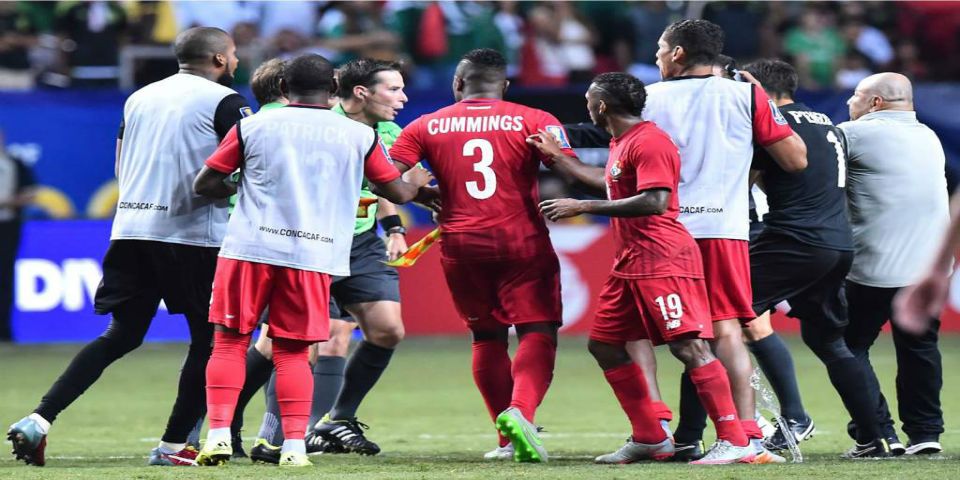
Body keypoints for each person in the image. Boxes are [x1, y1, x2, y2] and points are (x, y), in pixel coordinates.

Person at [7, 26, 250, 467]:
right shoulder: (225, 102)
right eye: (232, 55)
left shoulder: (139, 97)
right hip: (192, 234)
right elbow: (246, 166)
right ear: (218, 59)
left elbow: (121, 163)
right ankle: (175, 445)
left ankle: (39, 419)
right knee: (212, 340)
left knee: (122, 334)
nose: (235, 62)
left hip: (131, 227)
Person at [191, 53, 432, 468]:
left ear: (283, 90)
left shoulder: (251, 126)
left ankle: (216, 437)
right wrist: (418, 187)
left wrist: (242, 180)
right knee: (292, 351)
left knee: (230, 342)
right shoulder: (358, 136)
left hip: (250, 249)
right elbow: (395, 192)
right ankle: (294, 448)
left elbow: (206, 183)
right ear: (334, 91)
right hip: (314, 253)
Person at [529, 72, 755, 465]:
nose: (586, 106)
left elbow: (654, 201)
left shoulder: (651, 141)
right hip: (631, 261)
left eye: (588, 100)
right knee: (605, 344)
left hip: (662, 258)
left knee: (690, 346)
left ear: (600, 106)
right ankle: (651, 436)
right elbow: (611, 184)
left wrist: (582, 207)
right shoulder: (623, 141)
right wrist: (557, 157)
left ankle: (736, 440)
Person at [388, 48, 570, 463]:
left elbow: (387, 176)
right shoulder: (535, 119)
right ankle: (521, 413)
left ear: (457, 84)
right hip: (521, 240)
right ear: (504, 86)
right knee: (537, 329)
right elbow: (568, 168)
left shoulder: (424, 124)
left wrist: (423, 193)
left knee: (486, 336)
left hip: (461, 243)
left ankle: (506, 441)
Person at [639, 19, 807, 463]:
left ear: (677, 54)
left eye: (660, 48)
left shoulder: (647, 98)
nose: (656, 56)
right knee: (726, 327)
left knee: (638, 333)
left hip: (665, 230)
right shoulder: (747, 94)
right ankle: (746, 434)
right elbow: (794, 160)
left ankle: (661, 432)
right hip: (725, 228)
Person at [247, 57, 415, 462]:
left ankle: (334, 419)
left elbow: (385, 186)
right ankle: (253, 429)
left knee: (387, 329)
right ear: (362, 92)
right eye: (393, 89)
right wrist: (412, 189)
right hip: (312, 243)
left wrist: (393, 228)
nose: (403, 98)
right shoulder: (325, 124)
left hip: (359, 242)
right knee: (290, 343)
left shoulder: (391, 131)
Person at [740, 59, 889, 457]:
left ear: (758, 89)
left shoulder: (773, 126)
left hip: (793, 241)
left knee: (721, 318)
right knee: (830, 343)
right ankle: (875, 438)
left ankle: (751, 429)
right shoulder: (826, 121)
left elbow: (742, 183)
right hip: (837, 244)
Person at [839, 72, 948, 457]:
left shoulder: (853, 134)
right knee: (920, 347)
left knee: (846, 344)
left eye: (855, 95)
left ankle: (877, 433)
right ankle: (926, 432)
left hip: (874, 267)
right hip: (927, 269)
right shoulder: (930, 137)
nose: (849, 102)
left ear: (875, 103)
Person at [0, 128, 36, 342]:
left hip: (8, 226)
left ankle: (4, 332)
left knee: (5, 277)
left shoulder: (15, 163)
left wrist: (13, 202)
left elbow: (31, 191)